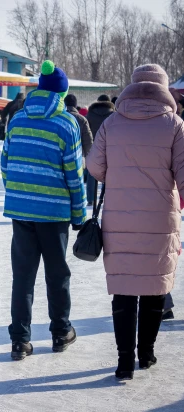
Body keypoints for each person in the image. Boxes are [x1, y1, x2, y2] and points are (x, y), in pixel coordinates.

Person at [86, 64, 184, 381]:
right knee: (155, 289)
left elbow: (95, 168)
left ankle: (124, 361)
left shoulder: (112, 123)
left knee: (125, 290)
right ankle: (147, 353)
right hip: (160, 220)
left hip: (119, 216)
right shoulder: (175, 125)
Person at [1, 60, 86, 361]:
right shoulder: (66, 123)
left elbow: (5, 163)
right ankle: (61, 332)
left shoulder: (18, 119)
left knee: (22, 276)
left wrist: (18, 192)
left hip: (21, 212)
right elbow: (74, 174)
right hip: (54, 213)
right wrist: (79, 213)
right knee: (56, 273)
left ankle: (19, 341)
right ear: (61, 94)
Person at [86, 94, 115, 206]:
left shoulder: (90, 115)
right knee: (108, 173)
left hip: (93, 147)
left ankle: (90, 198)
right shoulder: (113, 115)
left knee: (91, 174)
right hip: (109, 147)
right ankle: (106, 198)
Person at [64, 94, 93, 159]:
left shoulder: (59, 117)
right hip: (78, 157)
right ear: (75, 105)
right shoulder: (82, 119)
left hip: (60, 158)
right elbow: (88, 142)